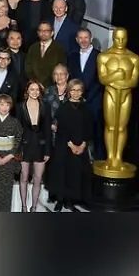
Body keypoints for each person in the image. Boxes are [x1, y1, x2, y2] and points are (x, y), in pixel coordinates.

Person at [49, 79, 93, 212]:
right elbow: (61, 130)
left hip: (81, 146)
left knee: (75, 174)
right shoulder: (63, 108)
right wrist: (71, 145)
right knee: (62, 173)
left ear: (82, 92)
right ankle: (60, 200)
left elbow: (89, 128)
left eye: (79, 90)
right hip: (65, 146)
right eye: (73, 90)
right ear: (69, 91)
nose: (76, 93)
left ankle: (70, 201)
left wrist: (83, 145)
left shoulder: (86, 108)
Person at [18, 80, 52, 212]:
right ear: (27, 91)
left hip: (40, 146)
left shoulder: (46, 107)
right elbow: (17, 130)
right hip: (24, 146)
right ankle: (24, 207)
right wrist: (17, 149)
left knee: (37, 178)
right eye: (32, 89)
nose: (35, 92)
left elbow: (48, 130)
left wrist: (47, 151)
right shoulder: (20, 107)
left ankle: (34, 207)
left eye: (37, 89)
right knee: (24, 177)